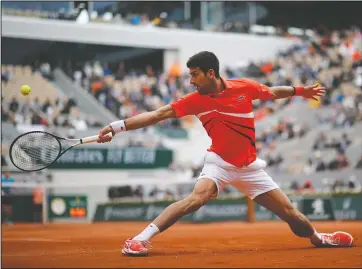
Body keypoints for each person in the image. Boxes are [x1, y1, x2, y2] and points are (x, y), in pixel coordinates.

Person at [97, 51, 354, 256]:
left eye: (195, 75)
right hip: (219, 163)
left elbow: (273, 92)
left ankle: (319, 238)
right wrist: (117, 127)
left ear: (211, 73)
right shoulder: (194, 100)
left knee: (291, 214)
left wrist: (300, 91)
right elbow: (156, 115)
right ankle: (139, 240)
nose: (191, 81)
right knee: (195, 200)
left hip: (250, 167)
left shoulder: (244, 87)